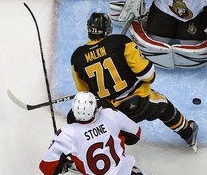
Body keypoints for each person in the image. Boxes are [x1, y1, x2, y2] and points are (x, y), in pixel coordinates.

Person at [39, 91, 178, 175]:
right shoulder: (111, 115)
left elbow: (47, 169)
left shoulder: (66, 133)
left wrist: (62, 164)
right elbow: (135, 135)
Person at [70, 12, 198, 150]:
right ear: (107, 28)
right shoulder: (120, 42)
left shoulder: (77, 57)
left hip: (113, 113)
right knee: (165, 107)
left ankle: (89, 152)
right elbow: (148, 75)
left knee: (85, 120)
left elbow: (85, 94)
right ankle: (188, 133)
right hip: (142, 103)